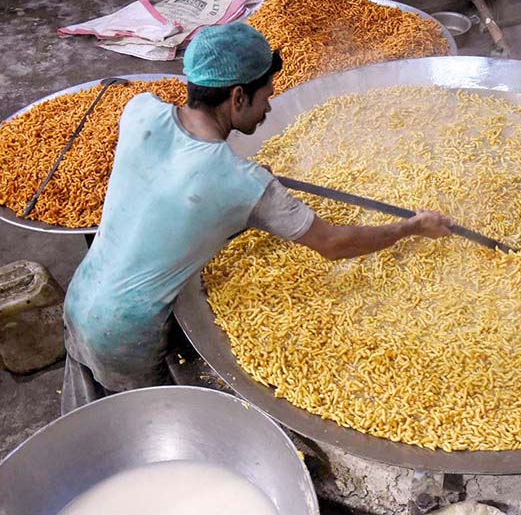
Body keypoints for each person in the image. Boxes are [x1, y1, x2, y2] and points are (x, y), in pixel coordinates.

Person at [60, 22, 453, 414]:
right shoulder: (241, 182)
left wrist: (239, 180)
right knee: (146, 422)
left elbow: (174, 182)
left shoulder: (140, 109)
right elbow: (334, 244)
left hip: (80, 297)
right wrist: (412, 227)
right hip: (127, 333)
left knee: (87, 406)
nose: (268, 109)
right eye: (266, 97)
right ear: (237, 96)